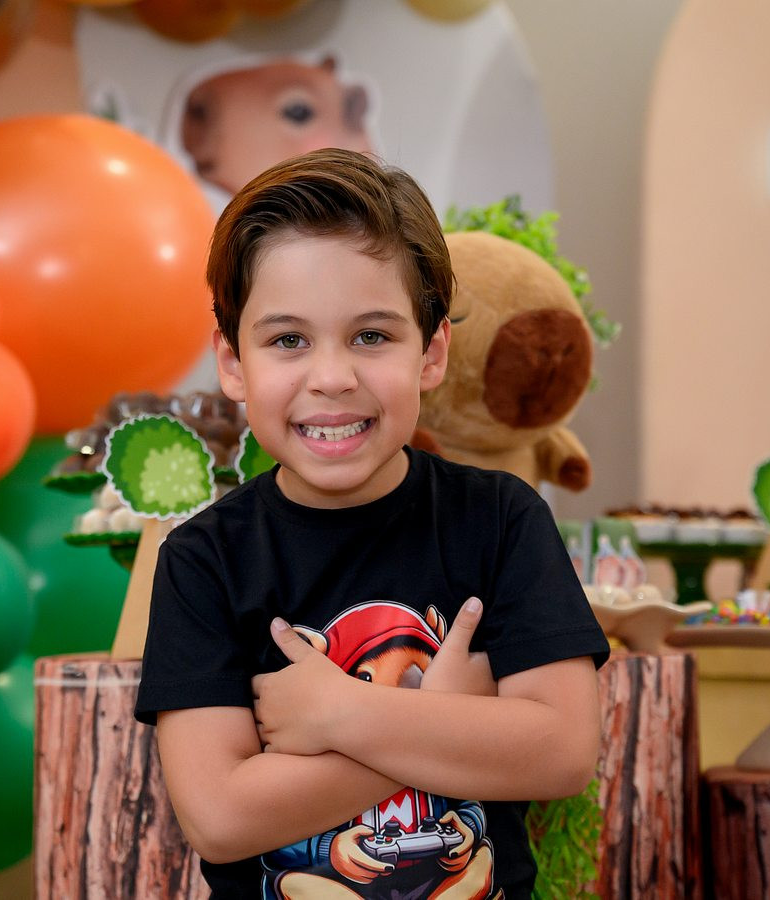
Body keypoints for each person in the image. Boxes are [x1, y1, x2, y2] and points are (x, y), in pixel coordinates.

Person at [135, 147, 610, 899]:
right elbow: (221, 816)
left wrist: (343, 714)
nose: (332, 377)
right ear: (233, 363)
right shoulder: (205, 559)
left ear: (432, 352)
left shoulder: (501, 520)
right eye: (288, 340)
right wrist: (442, 719)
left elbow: (562, 751)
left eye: (371, 336)